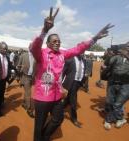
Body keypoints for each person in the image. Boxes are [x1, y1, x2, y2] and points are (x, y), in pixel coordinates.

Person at [29, 7, 114, 141]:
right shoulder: (41, 54)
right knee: (38, 125)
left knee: (58, 118)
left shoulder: (63, 54)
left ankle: (45, 137)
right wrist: (44, 30)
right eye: (54, 41)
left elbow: (78, 48)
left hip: (57, 96)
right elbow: (34, 47)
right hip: (43, 98)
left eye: (59, 41)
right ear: (48, 43)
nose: (58, 43)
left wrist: (94, 38)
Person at [103, 41, 129, 130]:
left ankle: (108, 120)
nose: (127, 47)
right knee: (109, 102)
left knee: (117, 104)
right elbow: (107, 63)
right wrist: (111, 53)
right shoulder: (117, 57)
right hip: (113, 82)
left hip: (126, 85)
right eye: (126, 46)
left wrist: (126, 55)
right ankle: (121, 118)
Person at [62, 55, 86, 128]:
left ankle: (59, 109)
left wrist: (82, 83)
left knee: (68, 98)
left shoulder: (83, 60)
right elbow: (63, 71)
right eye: (81, 51)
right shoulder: (70, 59)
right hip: (70, 82)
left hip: (78, 83)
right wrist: (60, 83)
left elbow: (83, 72)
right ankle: (74, 119)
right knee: (73, 101)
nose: (82, 53)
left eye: (83, 51)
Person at [17, 48, 36, 118]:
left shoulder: (36, 56)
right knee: (28, 93)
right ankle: (29, 109)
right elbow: (18, 66)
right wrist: (18, 76)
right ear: (29, 47)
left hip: (32, 77)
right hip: (25, 77)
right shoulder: (23, 55)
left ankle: (24, 103)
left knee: (26, 91)